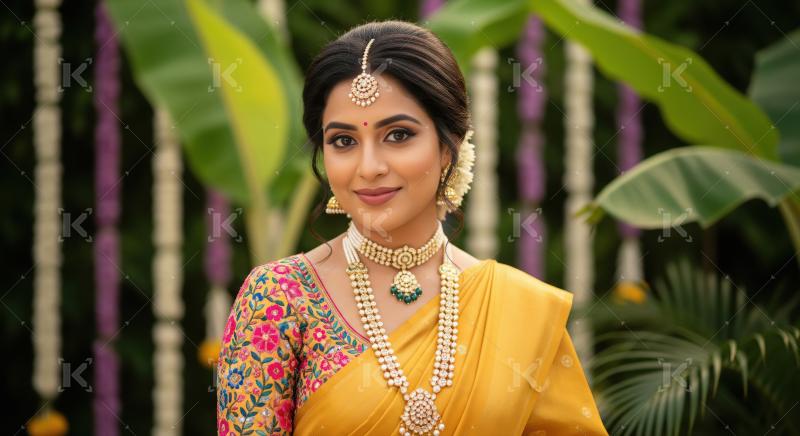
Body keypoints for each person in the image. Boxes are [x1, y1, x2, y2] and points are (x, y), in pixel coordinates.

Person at [216, 19, 608, 436]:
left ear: (448, 146)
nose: (369, 167)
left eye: (398, 135)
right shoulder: (279, 298)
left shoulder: (520, 310)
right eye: (344, 141)